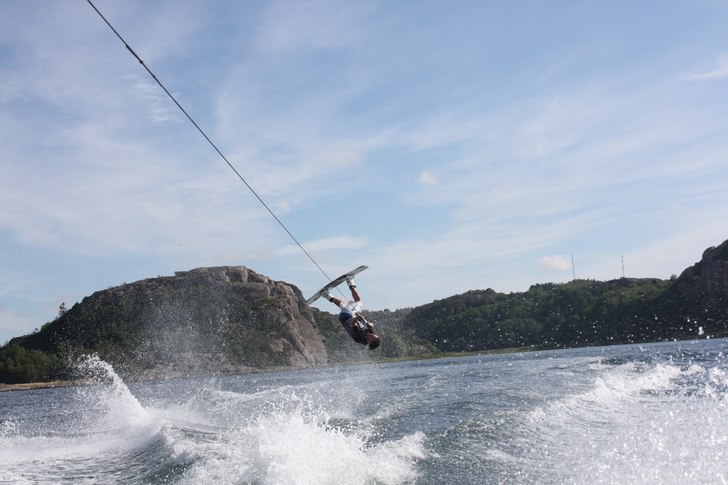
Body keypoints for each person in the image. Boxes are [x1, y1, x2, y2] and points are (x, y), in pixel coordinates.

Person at [322, 275, 381, 350]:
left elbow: (353, 323)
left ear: (370, 341)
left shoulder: (360, 338)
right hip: (346, 316)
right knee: (344, 305)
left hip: (347, 317)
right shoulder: (370, 335)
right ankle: (327, 295)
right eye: (374, 335)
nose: (372, 334)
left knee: (358, 301)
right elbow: (370, 326)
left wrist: (357, 318)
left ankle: (350, 281)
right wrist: (370, 325)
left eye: (373, 337)